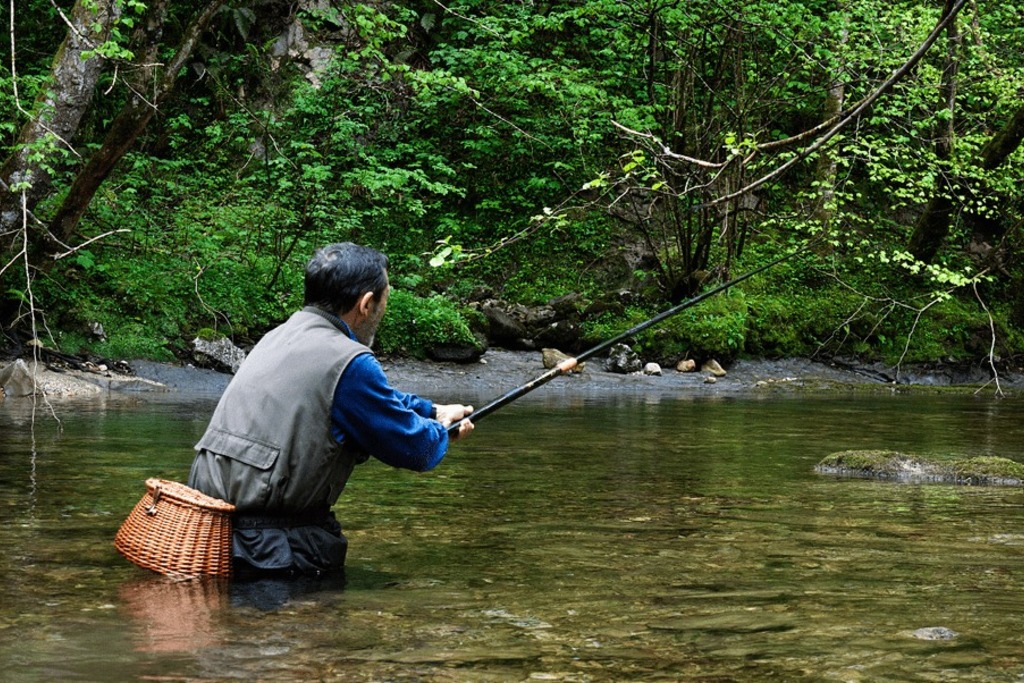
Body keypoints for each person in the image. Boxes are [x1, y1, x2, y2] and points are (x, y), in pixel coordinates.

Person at [188, 242, 474, 577]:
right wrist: (440, 431)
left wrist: (432, 410)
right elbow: (415, 449)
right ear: (366, 304)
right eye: (385, 300)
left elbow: (367, 399)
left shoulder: (278, 336)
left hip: (209, 535)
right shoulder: (350, 360)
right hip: (272, 550)